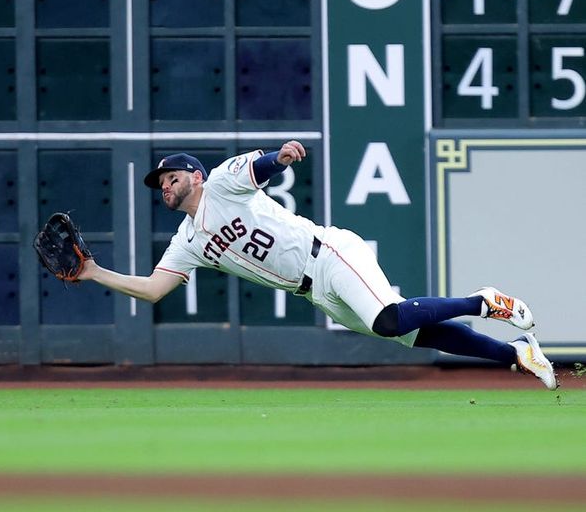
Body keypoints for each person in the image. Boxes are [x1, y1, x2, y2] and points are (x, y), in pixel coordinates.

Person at [78, 141, 558, 390]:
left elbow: (261, 167)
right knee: (408, 332)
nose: (165, 185)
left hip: (328, 253)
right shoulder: (186, 241)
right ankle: (516, 354)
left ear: (195, 176)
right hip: (316, 291)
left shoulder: (221, 181)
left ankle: (484, 300)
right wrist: (94, 272)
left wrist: (280, 157)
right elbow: (152, 289)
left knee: (388, 317)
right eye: (159, 183)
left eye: (171, 176)